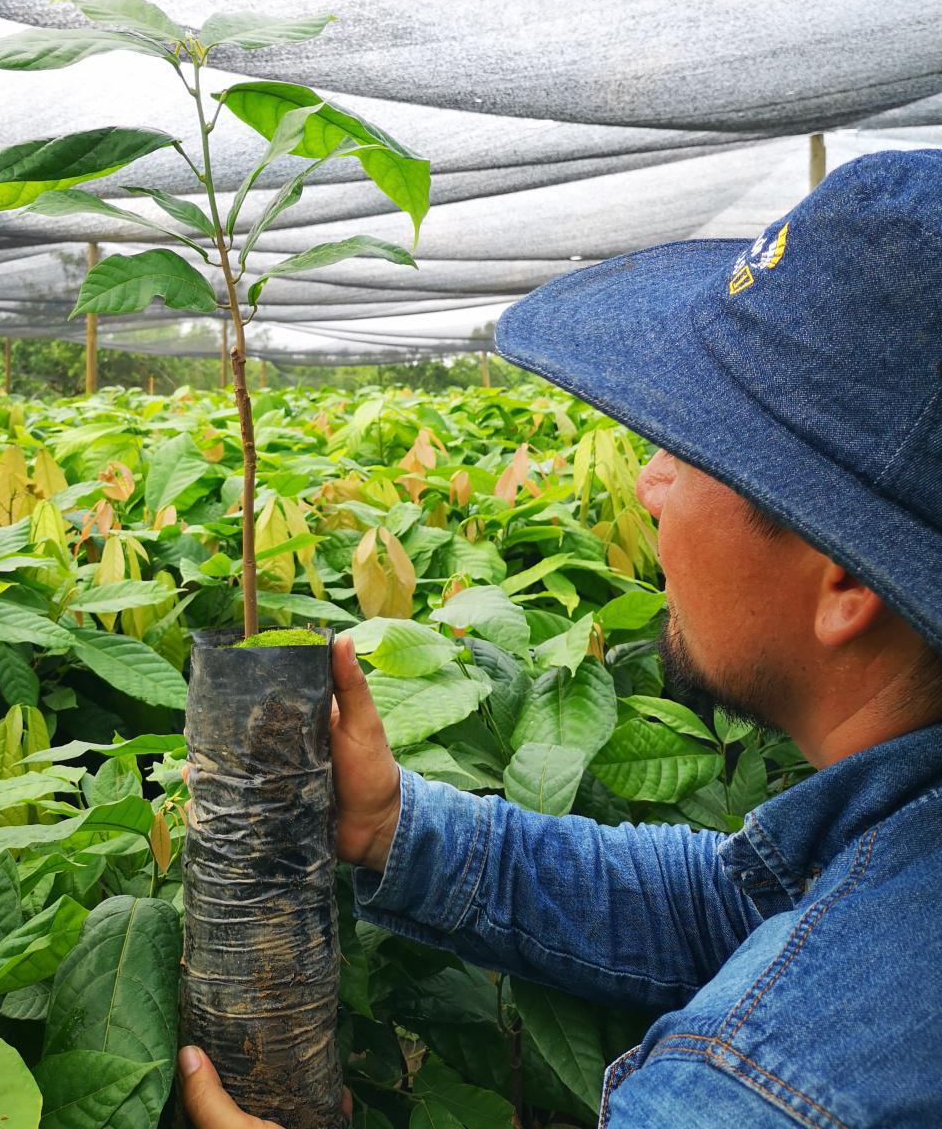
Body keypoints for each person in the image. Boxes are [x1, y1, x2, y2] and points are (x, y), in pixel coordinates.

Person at [181, 149, 942, 1127]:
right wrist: (392, 824)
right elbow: (740, 905)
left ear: (844, 580)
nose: (649, 484)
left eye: (698, 450)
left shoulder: (746, 1093)